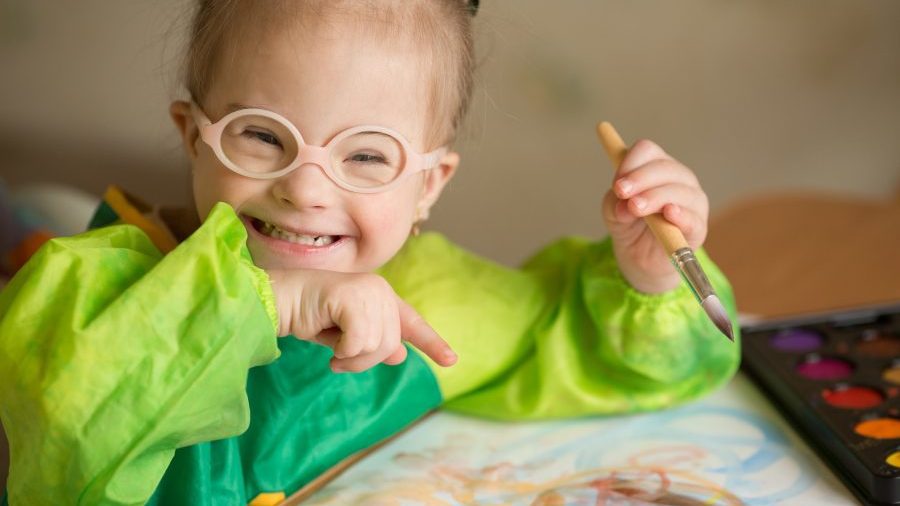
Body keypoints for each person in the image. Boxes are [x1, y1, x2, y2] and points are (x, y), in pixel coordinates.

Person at [0, 0, 740, 504]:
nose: (307, 191)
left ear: (428, 186)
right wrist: (267, 302)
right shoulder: (100, 289)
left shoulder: (439, 307)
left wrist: (646, 277)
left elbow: (604, 358)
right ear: (194, 136)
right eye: (262, 136)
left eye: (366, 157)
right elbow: (63, 432)